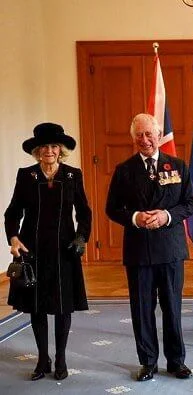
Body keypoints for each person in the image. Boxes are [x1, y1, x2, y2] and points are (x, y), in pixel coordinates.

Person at [106, 113, 193, 381]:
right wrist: (135, 217)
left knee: (172, 308)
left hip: (170, 250)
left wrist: (166, 216)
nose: (144, 140)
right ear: (133, 138)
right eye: (139, 135)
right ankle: (147, 362)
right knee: (142, 309)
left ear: (159, 136)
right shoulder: (125, 170)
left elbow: (191, 203)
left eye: (149, 134)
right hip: (138, 251)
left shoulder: (178, 166)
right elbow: (112, 208)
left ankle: (176, 361)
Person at [4, 123, 91, 381]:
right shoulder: (26, 175)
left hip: (64, 251)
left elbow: (85, 213)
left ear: (61, 150)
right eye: (44, 147)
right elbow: (13, 212)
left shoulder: (73, 175)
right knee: (37, 307)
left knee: (63, 307)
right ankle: (43, 358)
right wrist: (14, 237)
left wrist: (81, 237)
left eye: (54, 146)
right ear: (37, 151)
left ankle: (61, 358)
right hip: (32, 251)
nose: (49, 151)